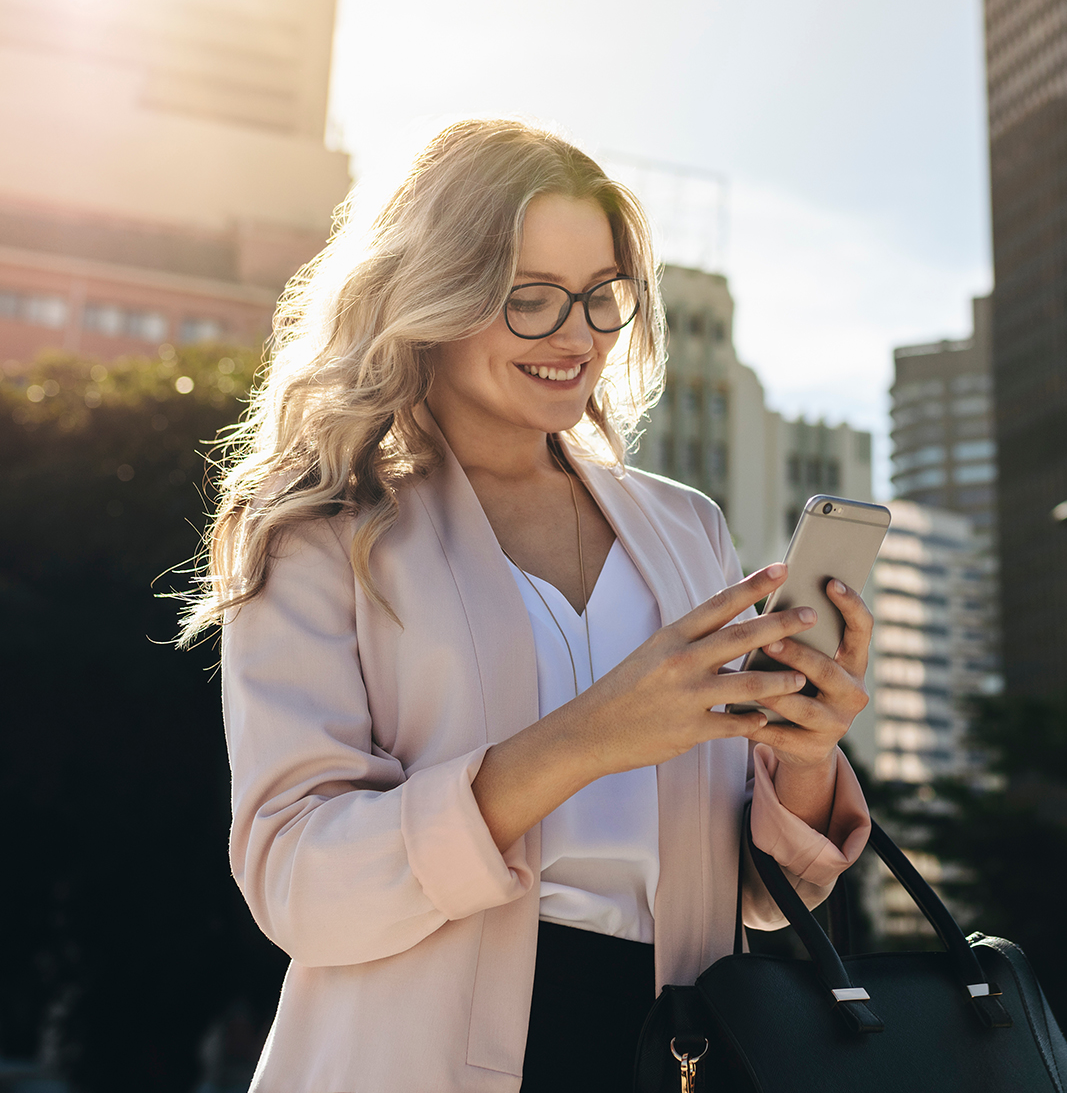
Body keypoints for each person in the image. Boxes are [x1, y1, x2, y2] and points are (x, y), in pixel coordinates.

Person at [181, 119, 873, 1093]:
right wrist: (585, 740)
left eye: (601, 298)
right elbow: (299, 881)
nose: (578, 336)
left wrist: (801, 755)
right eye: (531, 300)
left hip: (670, 1053)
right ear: (435, 296)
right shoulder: (323, 527)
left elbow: (755, 901)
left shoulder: (687, 531)